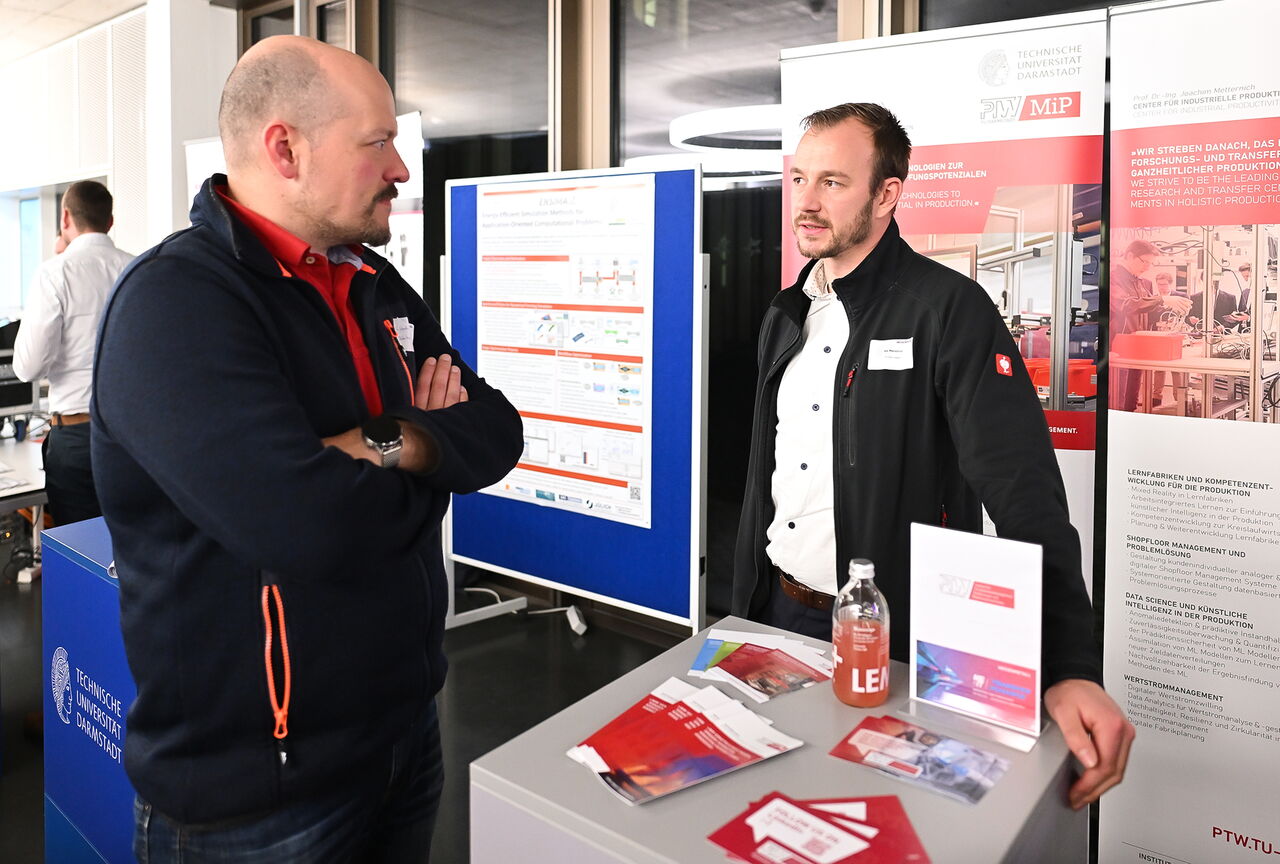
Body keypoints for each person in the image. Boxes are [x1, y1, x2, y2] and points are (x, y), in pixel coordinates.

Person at [91, 36, 523, 862]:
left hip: (404, 734)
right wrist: (430, 448)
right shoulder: (175, 306)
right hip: (260, 792)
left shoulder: (372, 283)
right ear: (285, 149)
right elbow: (307, 523)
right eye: (377, 142)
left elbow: (497, 431)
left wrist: (390, 443)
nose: (400, 169)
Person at [732, 103, 1134, 810]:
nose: (806, 202)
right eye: (799, 179)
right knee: (778, 809)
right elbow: (770, 475)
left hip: (890, 634)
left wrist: (1070, 663)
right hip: (776, 614)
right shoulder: (787, 312)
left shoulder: (947, 309)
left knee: (882, 818)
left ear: (887, 194)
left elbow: (1023, 488)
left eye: (833, 182)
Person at [13, 180, 133, 526]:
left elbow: (28, 367)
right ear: (110, 221)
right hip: (131, 437)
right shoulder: (137, 267)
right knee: (129, 541)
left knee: (79, 549)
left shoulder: (55, 273)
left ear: (65, 218)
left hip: (77, 439)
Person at [1111, 240, 1191, 411]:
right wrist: (1162, 299)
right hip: (1118, 349)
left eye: (1151, 263)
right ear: (1130, 256)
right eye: (1145, 262)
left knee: (1131, 402)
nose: (1147, 267)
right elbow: (1126, 305)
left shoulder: (1142, 282)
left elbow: (1147, 311)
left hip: (1138, 348)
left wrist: (1172, 309)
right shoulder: (1113, 279)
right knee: (1118, 402)